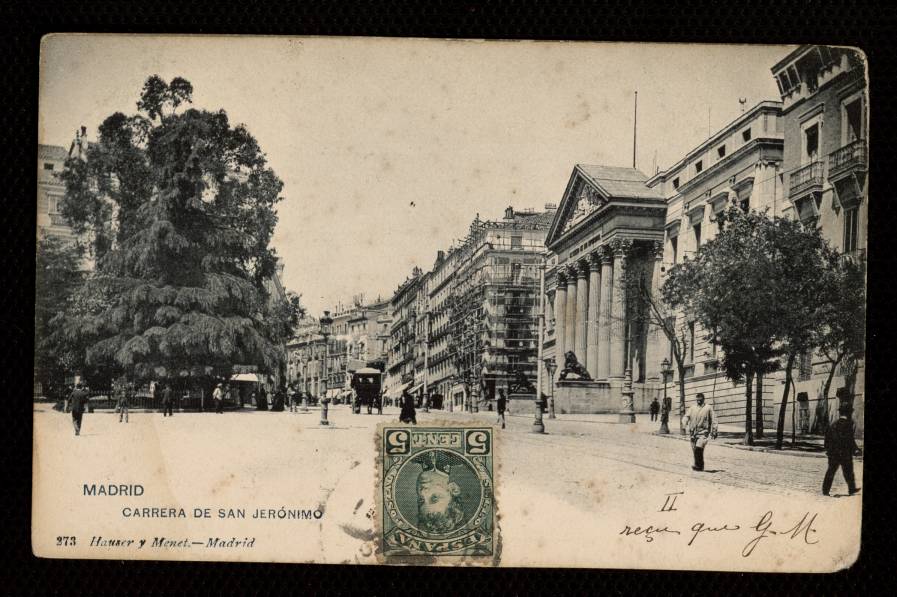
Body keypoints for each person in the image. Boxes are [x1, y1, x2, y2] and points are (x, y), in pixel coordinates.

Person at [415, 450, 466, 534]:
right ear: (453, 489)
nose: (423, 492)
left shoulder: (415, 457)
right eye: (434, 498)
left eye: (421, 500)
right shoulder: (459, 457)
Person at [822, 404, 861, 496]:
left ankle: (825, 491)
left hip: (833, 453)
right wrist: (855, 449)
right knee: (848, 472)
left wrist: (829, 451)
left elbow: (826, 440)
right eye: (850, 412)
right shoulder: (848, 424)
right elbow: (850, 440)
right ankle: (851, 489)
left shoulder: (832, 424)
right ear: (848, 413)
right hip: (844, 453)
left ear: (840, 413)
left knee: (830, 472)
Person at [683, 393, 718, 471]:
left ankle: (698, 466)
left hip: (703, 432)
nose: (698, 401)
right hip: (693, 433)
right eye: (697, 400)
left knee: (699, 448)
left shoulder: (708, 408)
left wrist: (714, 430)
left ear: (703, 399)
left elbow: (714, 419)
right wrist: (684, 423)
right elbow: (686, 416)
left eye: (700, 400)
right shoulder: (692, 407)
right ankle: (699, 465)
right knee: (695, 449)